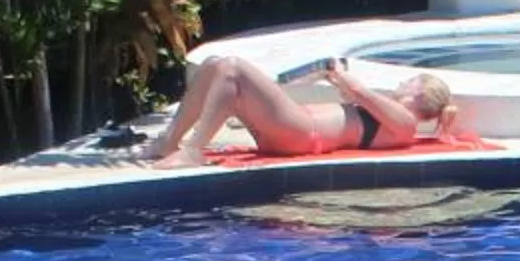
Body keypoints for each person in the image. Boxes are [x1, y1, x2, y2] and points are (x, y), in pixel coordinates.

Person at [138, 55, 475, 167]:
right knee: (215, 65)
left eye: (408, 81)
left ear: (418, 94)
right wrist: (334, 76)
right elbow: (357, 97)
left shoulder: (406, 123)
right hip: (294, 129)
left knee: (233, 68)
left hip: (301, 133)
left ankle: (193, 150)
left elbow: (359, 91)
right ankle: (170, 141)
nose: (401, 83)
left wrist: (339, 72)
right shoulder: (391, 118)